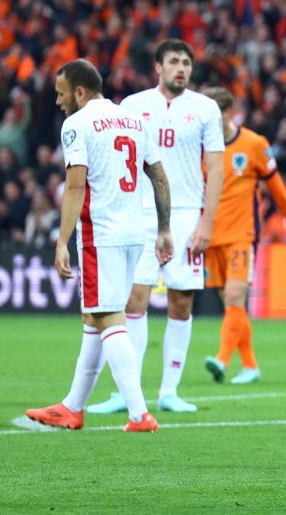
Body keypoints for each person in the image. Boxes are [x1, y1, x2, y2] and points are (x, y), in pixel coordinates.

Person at [25, 59, 173, 432]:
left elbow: (76, 185)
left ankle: (139, 414)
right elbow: (157, 174)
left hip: (99, 234)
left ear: (79, 91)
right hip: (134, 232)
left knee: (108, 317)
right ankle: (72, 407)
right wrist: (164, 228)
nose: (59, 102)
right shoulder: (133, 119)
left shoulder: (77, 124)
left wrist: (61, 241)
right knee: (95, 315)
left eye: (61, 94)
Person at [88, 40, 224, 414]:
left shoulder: (205, 109)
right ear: (158, 67)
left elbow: (215, 169)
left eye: (186, 63)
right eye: (174, 62)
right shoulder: (133, 106)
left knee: (181, 300)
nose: (181, 68)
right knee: (134, 299)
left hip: (185, 215)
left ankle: (169, 390)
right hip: (141, 213)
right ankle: (124, 393)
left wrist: (206, 223)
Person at [200, 87, 286, 385]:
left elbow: (279, 191)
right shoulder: (201, 147)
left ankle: (221, 360)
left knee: (235, 297)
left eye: (215, 115)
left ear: (230, 112)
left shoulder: (254, 144)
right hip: (211, 237)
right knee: (232, 306)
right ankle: (250, 366)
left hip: (242, 234)